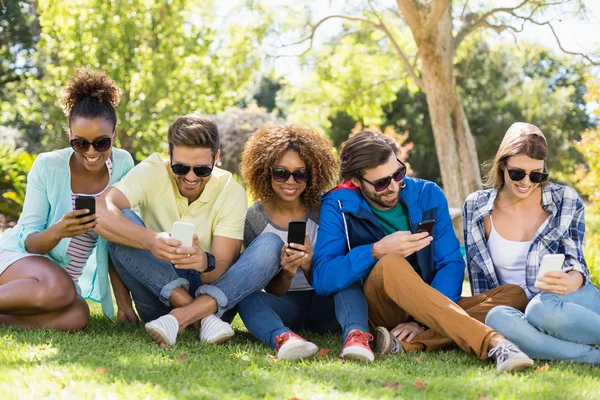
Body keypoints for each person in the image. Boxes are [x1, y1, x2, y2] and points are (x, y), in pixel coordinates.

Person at [312, 130, 534, 372]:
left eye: (397, 173)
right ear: (356, 181)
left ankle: (407, 344)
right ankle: (493, 342)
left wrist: (422, 322)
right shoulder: (337, 205)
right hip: (379, 308)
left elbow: (450, 263)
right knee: (390, 263)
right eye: (381, 183)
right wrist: (375, 251)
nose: (393, 186)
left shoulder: (428, 194)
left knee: (514, 296)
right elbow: (323, 277)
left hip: (428, 301)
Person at [96, 114, 282, 346]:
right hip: (156, 293)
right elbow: (101, 209)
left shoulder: (230, 191)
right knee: (120, 219)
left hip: (211, 294)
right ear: (169, 154)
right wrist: (151, 240)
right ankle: (201, 317)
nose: (191, 177)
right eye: (181, 167)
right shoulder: (152, 170)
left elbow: (221, 269)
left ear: (216, 158)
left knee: (271, 244)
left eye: (201, 170)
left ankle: (183, 316)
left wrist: (204, 262)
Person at [0, 69, 134, 330]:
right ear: (69, 136)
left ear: (115, 136)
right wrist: (59, 231)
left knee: (77, 316)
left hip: (63, 278)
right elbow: (29, 242)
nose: (92, 152)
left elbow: (119, 238)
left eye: (102, 142)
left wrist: (124, 303)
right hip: (21, 258)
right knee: (58, 288)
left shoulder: (123, 164)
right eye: (81, 143)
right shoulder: (48, 166)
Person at [464, 122, 600, 365]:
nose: (526, 182)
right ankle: (591, 356)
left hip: (567, 302)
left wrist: (573, 279)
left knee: (540, 309)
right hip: (516, 312)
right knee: (495, 317)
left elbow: (576, 260)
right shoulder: (476, 207)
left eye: (537, 175)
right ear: (502, 165)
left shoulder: (565, 199)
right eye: (518, 173)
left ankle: (555, 343)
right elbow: (480, 284)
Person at [237, 125, 373, 361]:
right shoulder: (253, 219)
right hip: (285, 304)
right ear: (265, 172)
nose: (290, 181)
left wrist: (310, 266)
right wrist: (288, 272)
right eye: (281, 173)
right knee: (246, 297)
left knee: (345, 279)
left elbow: (334, 273)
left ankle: (356, 336)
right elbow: (271, 289)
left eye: (300, 174)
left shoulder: (325, 210)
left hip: (327, 303)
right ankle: (284, 339)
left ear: (312, 176)